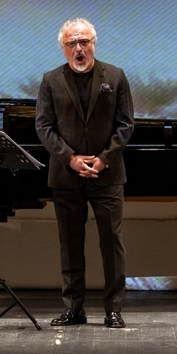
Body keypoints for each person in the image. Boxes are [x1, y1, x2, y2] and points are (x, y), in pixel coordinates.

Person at [35, 18, 134, 328]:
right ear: (63, 48)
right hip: (67, 176)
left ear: (94, 43)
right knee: (70, 244)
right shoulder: (50, 80)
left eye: (84, 42)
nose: (78, 48)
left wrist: (103, 160)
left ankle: (113, 310)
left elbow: (126, 124)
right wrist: (71, 159)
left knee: (111, 244)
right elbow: (44, 126)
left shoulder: (115, 77)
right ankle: (74, 309)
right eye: (71, 44)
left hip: (107, 175)